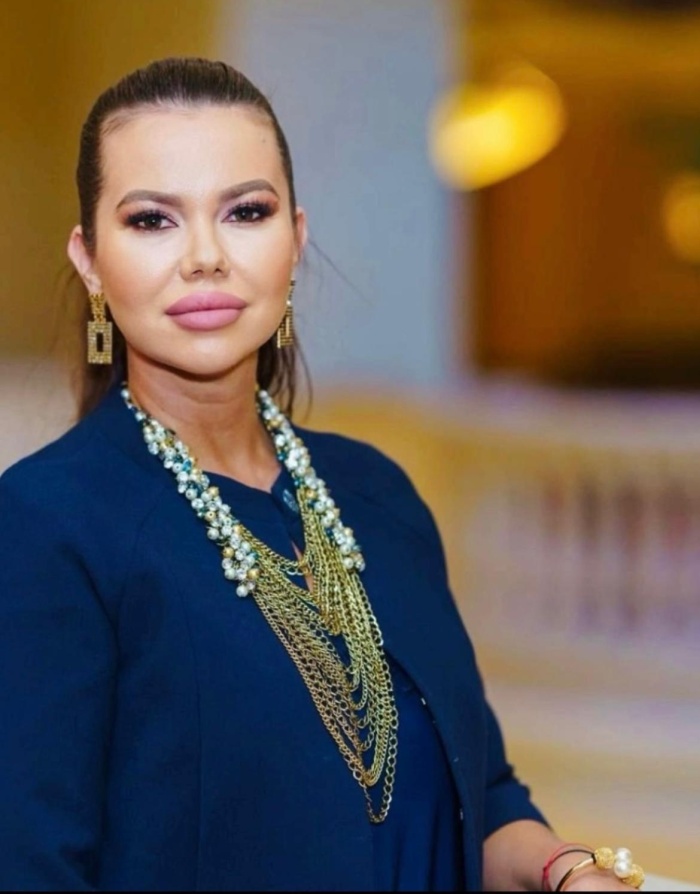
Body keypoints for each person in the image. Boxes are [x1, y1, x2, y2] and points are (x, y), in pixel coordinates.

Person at [0, 57, 643, 892]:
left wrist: (567, 871)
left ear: (295, 239)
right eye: (153, 220)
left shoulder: (378, 496)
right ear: (90, 260)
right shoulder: (47, 526)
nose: (205, 256)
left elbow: (480, 800)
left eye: (245, 211)